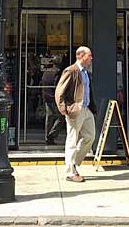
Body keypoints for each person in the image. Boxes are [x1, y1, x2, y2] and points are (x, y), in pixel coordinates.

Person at [55, 45, 97, 183]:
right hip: (76, 110)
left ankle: (74, 163)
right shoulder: (71, 70)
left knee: (90, 137)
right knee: (72, 140)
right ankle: (70, 172)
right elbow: (59, 91)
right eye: (89, 55)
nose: (91, 58)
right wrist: (65, 109)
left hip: (86, 109)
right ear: (80, 56)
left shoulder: (86, 72)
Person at [42, 55, 68, 145]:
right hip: (53, 98)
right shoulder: (57, 73)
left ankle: (47, 137)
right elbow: (58, 86)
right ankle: (51, 136)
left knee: (49, 117)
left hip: (46, 97)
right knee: (61, 117)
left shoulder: (46, 72)